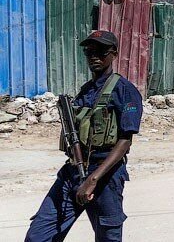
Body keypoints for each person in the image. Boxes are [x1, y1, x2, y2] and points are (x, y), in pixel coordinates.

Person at [26, 29, 142, 242]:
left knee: (108, 237)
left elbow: (125, 140)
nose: (94, 57)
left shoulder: (125, 90)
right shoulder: (86, 90)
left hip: (105, 175)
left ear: (113, 54)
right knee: (38, 235)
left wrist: (93, 179)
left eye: (100, 52)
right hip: (73, 171)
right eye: (89, 52)